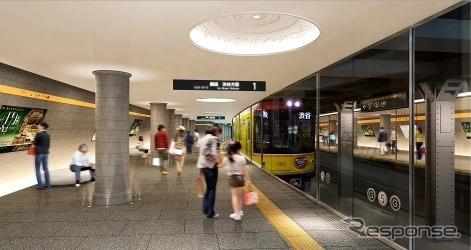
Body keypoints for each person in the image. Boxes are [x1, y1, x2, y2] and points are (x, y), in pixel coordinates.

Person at [197, 125, 223, 218]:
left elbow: (201, 155)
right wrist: (220, 163)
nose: (219, 135)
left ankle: (205, 209)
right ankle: (210, 213)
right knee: (212, 190)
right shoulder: (214, 139)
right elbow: (214, 153)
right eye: (219, 132)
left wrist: (200, 169)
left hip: (203, 166)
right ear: (215, 132)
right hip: (211, 167)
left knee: (208, 189)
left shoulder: (202, 139)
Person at [223, 141, 251, 221]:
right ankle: (239, 211)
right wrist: (248, 180)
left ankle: (236, 214)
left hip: (233, 178)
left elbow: (221, 165)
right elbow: (245, 170)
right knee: (239, 195)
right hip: (241, 178)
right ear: (238, 149)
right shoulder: (241, 158)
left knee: (234, 196)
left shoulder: (227, 158)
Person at [33, 121, 50, 189]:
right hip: (46, 153)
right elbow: (48, 145)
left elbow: (34, 142)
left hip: (39, 153)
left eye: (39, 125)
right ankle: (48, 184)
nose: (38, 126)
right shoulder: (47, 135)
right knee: (45, 168)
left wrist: (30, 136)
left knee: (37, 169)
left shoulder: (39, 134)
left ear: (42, 126)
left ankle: (40, 185)